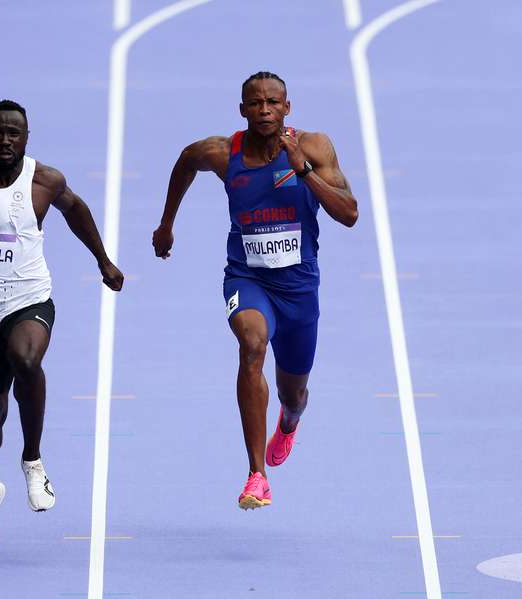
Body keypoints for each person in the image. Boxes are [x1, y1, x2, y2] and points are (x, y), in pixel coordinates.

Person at [0, 99, 124, 552]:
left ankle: (33, 460)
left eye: (14, 132)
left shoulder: (45, 180)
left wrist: (103, 261)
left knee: (26, 357)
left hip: (29, 299)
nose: (6, 140)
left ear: (27, 137)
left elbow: (76, 210)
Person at [152, 72, 358, 510]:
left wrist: (301, 167)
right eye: (255, 103)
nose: (264, 110)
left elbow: (350, 213)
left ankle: (290, 419)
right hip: (248, 278)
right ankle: (256, 475)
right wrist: (167, 224)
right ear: (242, 110)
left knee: (293, 391)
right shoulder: (224, 154)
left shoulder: (315, 147)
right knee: (251, 346)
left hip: (299, 287)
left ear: (287, 107)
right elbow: (186, 161)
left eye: (272, 102)